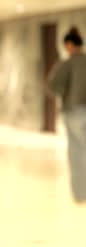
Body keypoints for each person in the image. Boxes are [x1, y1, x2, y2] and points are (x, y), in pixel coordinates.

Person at [48, 26, 86, 204]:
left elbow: (52, 87)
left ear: (69, 45)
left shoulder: (66, 64)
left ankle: (81, 194)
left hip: (74, 112)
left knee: (77, 152)